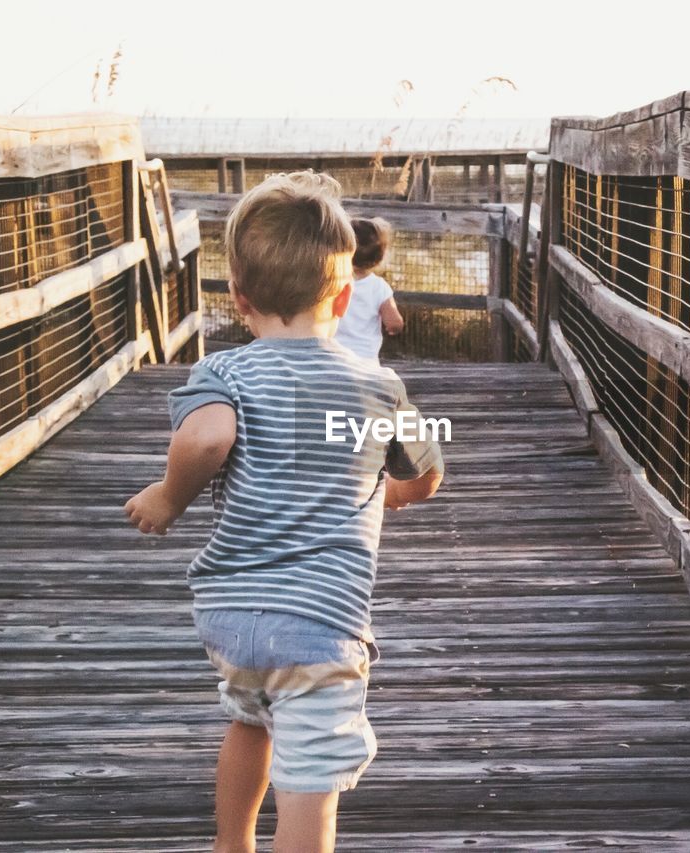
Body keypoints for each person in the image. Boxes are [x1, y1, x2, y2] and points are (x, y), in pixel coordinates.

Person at [123, 171, 444, 853]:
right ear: (347, 292)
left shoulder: (224, 374)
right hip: (320, 626)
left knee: (249, 722)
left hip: (234, 621)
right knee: (311, 780)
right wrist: (384, 490)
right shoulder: (379, 387)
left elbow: (209, 435)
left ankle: (230, 844)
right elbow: (427, 475)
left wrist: (167, 495)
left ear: (238, 297)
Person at [334, 217, 403, 362]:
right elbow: (394, 322)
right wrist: (393, 328)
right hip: (365, 359)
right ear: (378, 258)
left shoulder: (332, 283)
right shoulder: (379, 287)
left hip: (333, 356)